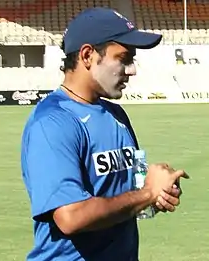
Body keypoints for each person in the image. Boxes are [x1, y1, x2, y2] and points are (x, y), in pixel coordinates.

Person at [21, 7, 189, 261]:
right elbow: (70, 217)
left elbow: (131, 190)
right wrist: (147, 193)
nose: (131, 70)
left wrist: (158, 192)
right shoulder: (52, 122)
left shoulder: (116, 115)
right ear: (88, 55)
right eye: (123, 58)